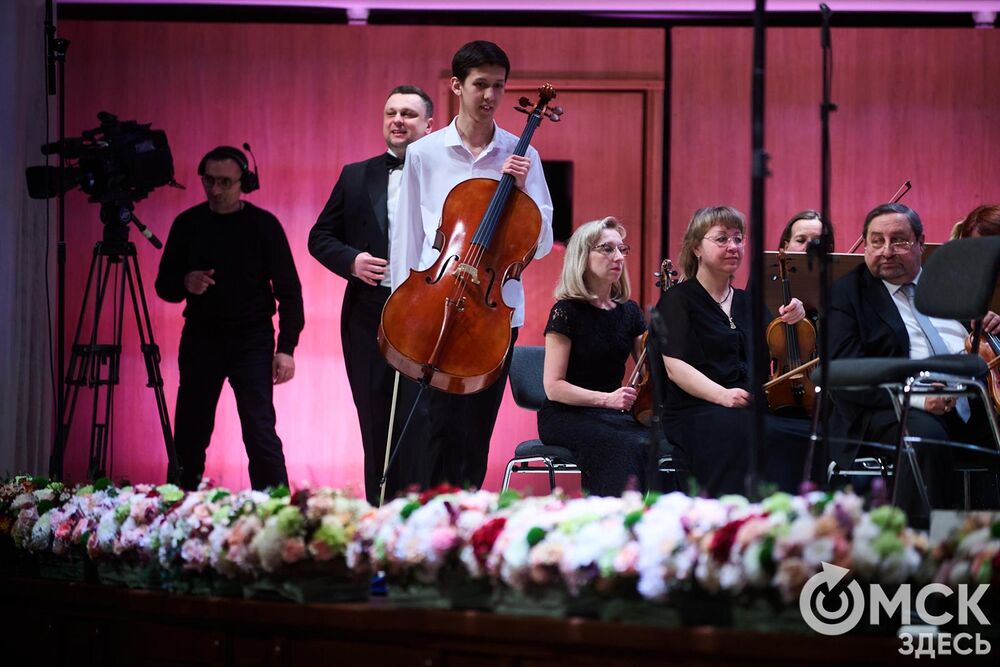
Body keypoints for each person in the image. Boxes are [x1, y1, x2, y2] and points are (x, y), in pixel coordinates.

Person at [389, 40, 554, 490]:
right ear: (458, 86)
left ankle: (466, 531)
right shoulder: (423, 153)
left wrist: (521, 190)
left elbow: (539, 245)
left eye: (499, 86)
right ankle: (422, 530)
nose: (490, 96)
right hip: (430, 303)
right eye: (481, 85)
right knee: (428, 427)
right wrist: (400, 307)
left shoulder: (524, 156)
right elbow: (407, 237)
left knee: (473, 432)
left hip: (491, 313)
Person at [828, 202, 1000, 518]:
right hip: (889, 407)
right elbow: (844, 375)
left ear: (921, 243)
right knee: (925, 439)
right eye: (876, 241)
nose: (887, 250)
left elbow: (977, 345)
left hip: (972, 399)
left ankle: (982, 551)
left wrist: (988, 329)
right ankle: (919, 548)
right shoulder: (847, 294)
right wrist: (919, 399)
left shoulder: (952, 285)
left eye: (899, 240)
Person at [308, 86, 434, 505]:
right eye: (391, 113)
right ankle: (377, 514)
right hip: (368, 314)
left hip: (431, 315)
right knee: (376, 417)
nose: (398, 120)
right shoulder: (355, 175)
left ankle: (422, 514)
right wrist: (353, 260)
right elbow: (319, 236)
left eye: (409, 114)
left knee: (423, 421)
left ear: (429, 125)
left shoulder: (447, 173)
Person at [155, 146, 303, 491]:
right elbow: (165, 286)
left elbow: (289, 292)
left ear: (243, 183)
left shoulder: (263, 226)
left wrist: (286, 348)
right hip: (201, 337)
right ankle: (177, 510)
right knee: (190, 431)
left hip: (251, 339)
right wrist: (185, 282)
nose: (216, 190)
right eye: (209, 181)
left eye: (225, 182)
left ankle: (274, 511)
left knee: (259, 429)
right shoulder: (188, 223)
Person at [656, 206, 809, 496]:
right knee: (748, 432)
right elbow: (675, 366)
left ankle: (789, 521)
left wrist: (796, 317)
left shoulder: (748, 301)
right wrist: (722, 395)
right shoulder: (678, 300)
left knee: (804, 432)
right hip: (697, 409)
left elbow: (779, 352)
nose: (733, 246)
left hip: (747, 405)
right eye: (722, 239)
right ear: (697, 248)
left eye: (738, 238)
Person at [538, 217, 649, 496]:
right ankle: (611, 522)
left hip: (612, 413)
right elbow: (554, 387)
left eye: (622, 249)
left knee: (658, 439)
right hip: (566, 414)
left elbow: (650, 369)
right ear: (582, 256)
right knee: (623, 443)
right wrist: (607, 399)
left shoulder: (629, 312)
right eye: (607, 249)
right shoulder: (566, 312)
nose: (618, 257)